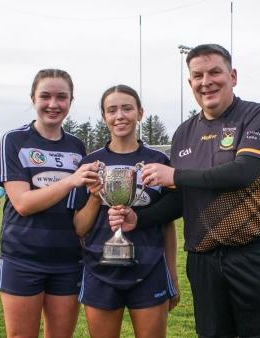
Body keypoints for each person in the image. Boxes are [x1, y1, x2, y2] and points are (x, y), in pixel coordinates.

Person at [107, 44, 260, 338]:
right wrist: (138, 219)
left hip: (253, 257)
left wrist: (175, 175)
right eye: (198, 75)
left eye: (215, 72)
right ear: (190, 83)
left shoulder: (256, 115)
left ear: (232, 76)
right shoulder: (184, 132)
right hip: (204, 261)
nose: (206, 81)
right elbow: (182, 199)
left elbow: (243, 172)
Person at [0, 69, 101, 338]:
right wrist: (70, 181)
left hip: (68, 259)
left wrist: (98, 194)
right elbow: (22, 204)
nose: (53, 104)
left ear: (71, 101)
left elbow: (79, 214)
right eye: (46, 96)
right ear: (33, 98)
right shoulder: (14, 140)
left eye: (61, 97)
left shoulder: (77, 147)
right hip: (22, 258)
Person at [73, 85, 180, 338]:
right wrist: (96, 197)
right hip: (101, 269)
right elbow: (79, 227)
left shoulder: (158, 161)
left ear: (140, 113)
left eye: (127, 108)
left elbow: (167, 223)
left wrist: (172, 275)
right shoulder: (89, 163)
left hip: (150, 267)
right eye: (112, 110)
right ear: (104, 117)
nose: (119, 115)